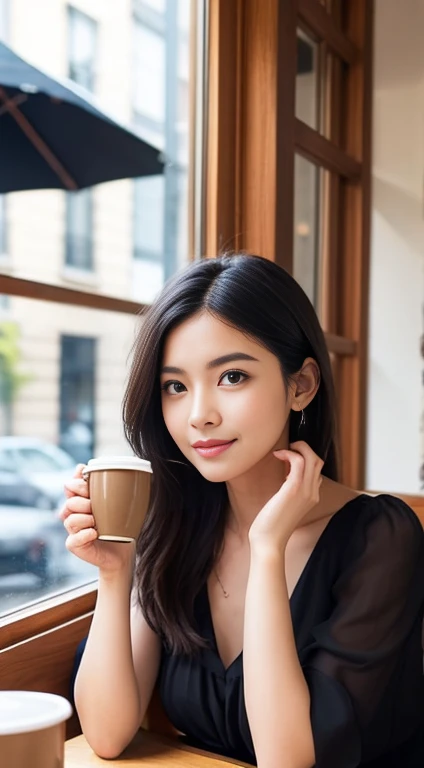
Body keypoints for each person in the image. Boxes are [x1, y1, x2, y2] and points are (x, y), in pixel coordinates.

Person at [61, 254, 424, 768]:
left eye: (232, 376)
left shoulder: (381, 538)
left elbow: (287, 759)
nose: (199, 415)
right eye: (175, 386)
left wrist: (268, 547)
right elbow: (106, 733)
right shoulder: (175, 528)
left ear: (301, 386)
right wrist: (117, 572)